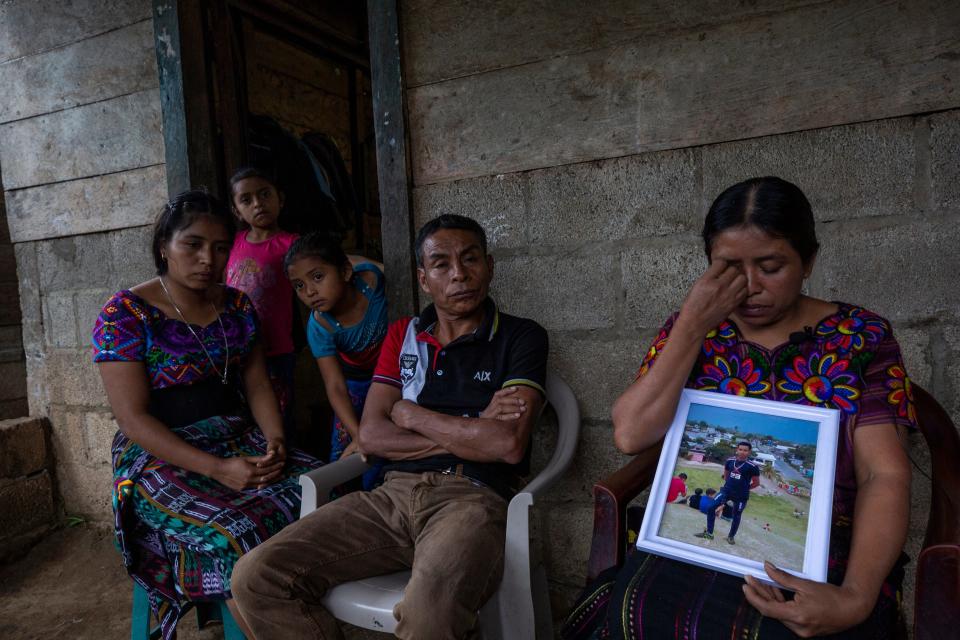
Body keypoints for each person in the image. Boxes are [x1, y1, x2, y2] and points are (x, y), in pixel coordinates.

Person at [562, 177, 915, 640]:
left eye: (771, 266)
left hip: (829, 546)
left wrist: (855, 595)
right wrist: (693, 322)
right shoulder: (695, 329)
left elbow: (882, 475)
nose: (749, 287)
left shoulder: (860, 337)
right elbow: (631, 434)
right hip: (692, 552)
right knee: (637, 614)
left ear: (808, 261)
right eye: (727, 267)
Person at [231, 214, 549, 639]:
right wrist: (472, 431)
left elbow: (507, 445)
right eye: (441, 264)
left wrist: (411, 415)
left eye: (470, 259)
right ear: (423, 279)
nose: (458, 274)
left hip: (472, 500)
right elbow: (372, 436)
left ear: (489, 266)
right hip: (391, 496)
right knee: (256, 574)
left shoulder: (522, 337)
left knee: (427, 611)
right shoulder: (405, 335)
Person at [92, 190, 322, 639]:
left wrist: (274, 440)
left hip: (237, 436)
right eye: (192, 245)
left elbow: (256, 383)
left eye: (220, 248)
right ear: (164, 247)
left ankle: (305, 611)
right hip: (158, 455)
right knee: (240, 530)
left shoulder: (237, 306)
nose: (208, 259)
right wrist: (217, 470)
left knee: (321, 492)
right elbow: (133, 419)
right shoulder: (125, 315)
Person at [283, 231, 388, 487]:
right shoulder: (320, 326)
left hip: (389, 380)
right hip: (353, 384)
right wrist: (357, 434)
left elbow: (394, 266)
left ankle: (377, 493)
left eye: (318, 277)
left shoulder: (373, 282)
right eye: (299, 285)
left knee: (384, 443)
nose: (309, 291)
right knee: (344, 451)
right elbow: (335, 386)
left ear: (345, 272)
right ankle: (339, 498)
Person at [225, 168, 299, 439]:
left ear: (280, 199)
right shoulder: (231, 245)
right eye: (246, 199)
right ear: (236, 210)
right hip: (235, 349)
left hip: (276, 349)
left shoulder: (291, 244)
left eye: (265, 194)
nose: (257, 203)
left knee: (279, 417)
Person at [695, 441, 760, 544]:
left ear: (749, 452)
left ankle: (731, 537)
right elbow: (725, 475)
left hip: (741, 495)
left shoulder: (752, 466)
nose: (742, 452)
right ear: (737, 450)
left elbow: (756, 483)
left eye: (745, 450)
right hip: (726, 491)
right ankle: (709, 533)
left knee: (736, 515)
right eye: (740, 449)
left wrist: (745, 488)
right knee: (711, 507)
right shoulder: (730, 461)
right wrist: (730, 485)